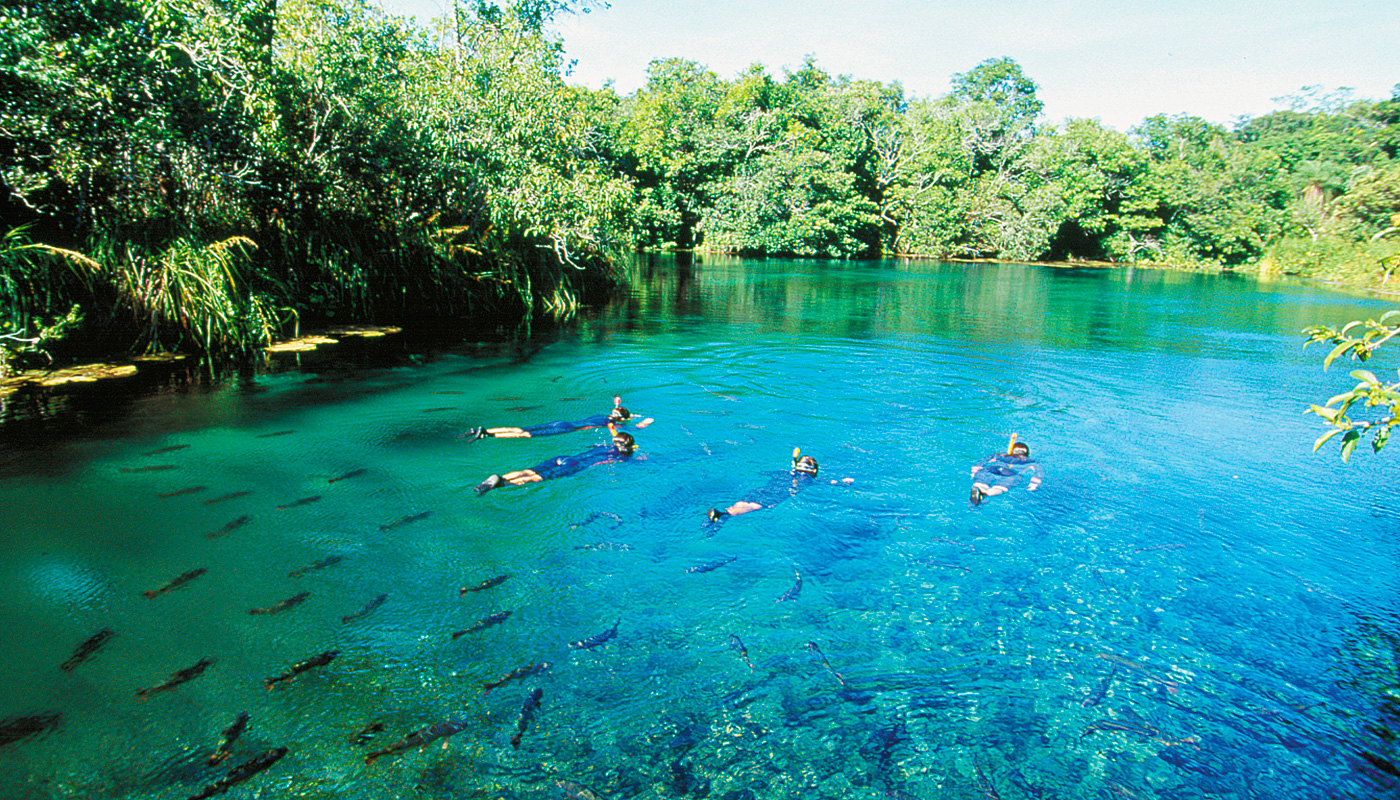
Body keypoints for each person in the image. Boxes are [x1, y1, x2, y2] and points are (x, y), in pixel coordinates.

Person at [475, 426, 637, 496]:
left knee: (527, 472)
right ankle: (501, 484)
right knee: (534, 478)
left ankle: (501, 477)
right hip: (574, 466)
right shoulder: (622, 456)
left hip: (566, 457)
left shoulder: (605, 445)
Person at [706, 448, 849, 524]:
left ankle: (723, 514)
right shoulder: (809, 480)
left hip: (760, 490)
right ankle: (723, 516)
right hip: (773, 497)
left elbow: (763, 472)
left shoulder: (782, 473)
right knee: (752, 507)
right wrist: (845, 482)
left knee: (743, 503)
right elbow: (832, 482)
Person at [462, 396, 651, 441]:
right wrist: (640, 425)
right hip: (565, 429)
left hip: (562, 422)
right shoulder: (610, 423)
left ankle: (486, 430)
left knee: (521, 428)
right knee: (524, 435)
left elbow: (617, 405)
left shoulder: (607, 415)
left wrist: (620, 404)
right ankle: (487, 436)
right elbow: (615, 432)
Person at [969, 434, 1042, 504]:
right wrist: (1033, 485)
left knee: (981, 483)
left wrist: (974, 472)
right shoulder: (1031, 461)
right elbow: (1038, 475)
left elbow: (980, 464)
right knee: (1000, 488)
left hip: (992, 469)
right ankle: (985, 493)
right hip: (1011, 474)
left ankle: (978, 489)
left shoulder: (999, 455)